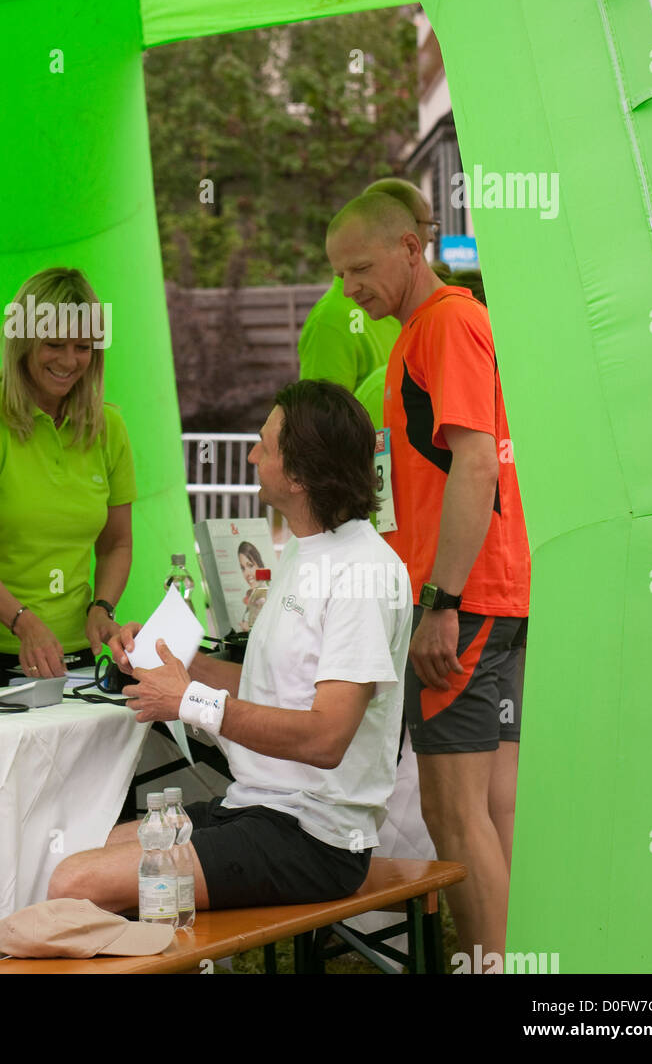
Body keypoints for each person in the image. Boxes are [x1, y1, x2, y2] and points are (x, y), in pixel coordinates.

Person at [48, 380, 411, 913]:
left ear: (299, 473)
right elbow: (269, 690)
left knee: (73, 881)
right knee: (81, 851)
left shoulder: (363, 571)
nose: (249, 454)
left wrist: (188, 700)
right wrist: (169, 662)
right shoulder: (307, 550)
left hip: (316, 837)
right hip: (259, 808)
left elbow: (326, 738)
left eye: (264, 444)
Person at [325, 191, 530, 970]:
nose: (350, 289)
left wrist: (439, 602)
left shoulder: (442, 322)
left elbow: (475, 462)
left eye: (362, 268)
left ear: (411, 249)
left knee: (454, 813)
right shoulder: (446, 323)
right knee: (494, 806)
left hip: (466, 600)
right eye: (341, 275)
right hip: (498, 592)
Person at [0, 268, 135, 690]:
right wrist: (22, 621)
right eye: (53, 344)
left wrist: (102, 608)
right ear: (22, 344)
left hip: (72, 655)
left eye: (82, 347)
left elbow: (117, 544)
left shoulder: (109, 427)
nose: (68, 360)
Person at [298, 178, 438, 390]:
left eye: (361, 269)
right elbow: (319, 420)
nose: (432, 237)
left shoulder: (410, 307)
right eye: (429, 225)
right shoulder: (331, 319)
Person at [235, 538, 268, 633]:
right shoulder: (255, 592)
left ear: (259, 564)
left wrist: (248, 628)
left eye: (250, 565)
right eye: (243, 568)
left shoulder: (263, 594)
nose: (247, 573)